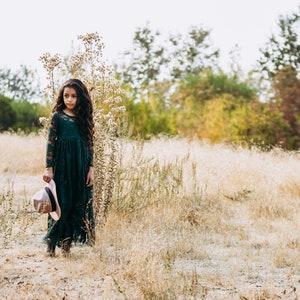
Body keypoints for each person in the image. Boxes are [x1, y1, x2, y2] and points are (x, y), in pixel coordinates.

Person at [42, 78, 95, 257]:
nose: (70, 99)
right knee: (60, 203)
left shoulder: (84, 118)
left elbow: (90, 144)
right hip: (62, 167)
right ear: (62, 97)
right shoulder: (58, 117)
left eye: (73, 96)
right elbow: (50, 144)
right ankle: (51, 244)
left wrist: (91, 168)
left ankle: (66, 245)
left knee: (75, 204)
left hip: (80, 168)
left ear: (80, 98)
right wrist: (49, 168)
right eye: (66, 96)